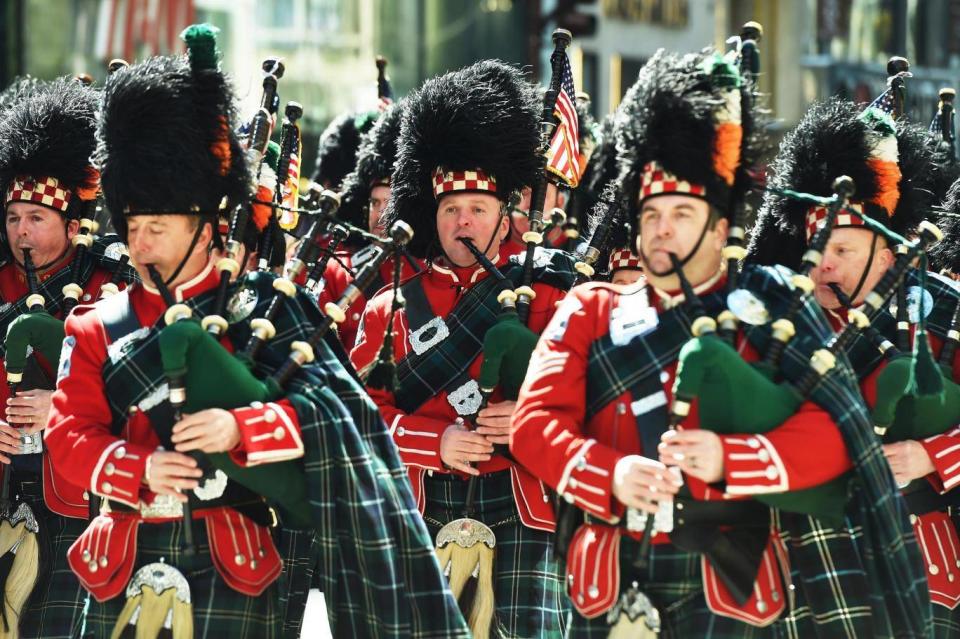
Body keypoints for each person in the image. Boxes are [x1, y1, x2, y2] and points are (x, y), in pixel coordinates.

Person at [45, 25, 468, 638]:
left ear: (209, 226)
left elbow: (335, 414)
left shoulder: (268, 309)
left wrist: (238, 425)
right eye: (132, 225)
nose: (139, 243)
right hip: (120, 560)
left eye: (157, 226)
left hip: (234, 560)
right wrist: (137, 467)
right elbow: (68, 435)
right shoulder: (95, 325)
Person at [511, 49, 930, 638]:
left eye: (681, 212)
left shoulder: (773, 304)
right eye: (650, 212)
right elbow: (534, 424)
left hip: (732, 583)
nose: (661, 228)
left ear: (716, 224)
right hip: (610, 581)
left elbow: (836, 433)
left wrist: (730, 459)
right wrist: (609, 471)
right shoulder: (592, 309)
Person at [351, 59, 574, 637]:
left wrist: (528, 420)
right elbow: (357, 421)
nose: (464, 223)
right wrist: (435, 441)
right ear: (433, 214)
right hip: (426, 506)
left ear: (507, 216)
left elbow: (591, 403)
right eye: (451, 209)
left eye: (478, 208)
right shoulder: (390, 307)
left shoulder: (552, 293)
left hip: (526, 506)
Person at [749, 96, 959, 637]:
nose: (823, 263)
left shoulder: (947, 314)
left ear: (888, 253)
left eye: (841, 248)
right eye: (816, 247)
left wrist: (931, 456)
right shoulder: (781, 322)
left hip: (917, 565)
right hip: (799, 569)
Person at [0, 76, 136, 639]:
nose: (21, 231)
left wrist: (60, 404)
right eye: (13, 217)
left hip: (81, 498)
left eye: (36, 218)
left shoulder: (112, 283)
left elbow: (135, 389)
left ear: (72, 225)